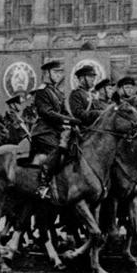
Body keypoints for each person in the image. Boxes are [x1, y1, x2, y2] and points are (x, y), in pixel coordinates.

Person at [32, 61, 79, 199]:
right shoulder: (41, 91)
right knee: (57, 149)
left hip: (56, 130)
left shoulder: (58, 92)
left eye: (60, 72)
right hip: (43, 131)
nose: (59, 75)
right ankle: (43, 184)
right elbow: (47, 113)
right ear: (47, 73)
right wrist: (69, 121)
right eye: (55, 72)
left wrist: (75, 120)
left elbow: (64, 111)